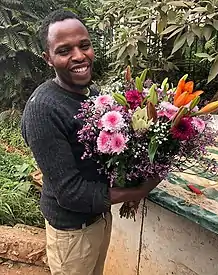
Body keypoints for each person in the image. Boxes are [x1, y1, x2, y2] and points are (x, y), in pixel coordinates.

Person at [21, 9, 161, 275]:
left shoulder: (91, 94)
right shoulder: (43, 110)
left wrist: (136, 173)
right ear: (47, 58)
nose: (79, 56)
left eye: (84, 45)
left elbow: (104, 156)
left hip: (98, 219)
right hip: (72, 233)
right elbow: (70, 192)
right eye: (64, 50)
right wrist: (138, 192)